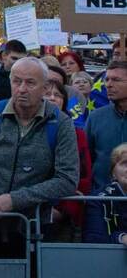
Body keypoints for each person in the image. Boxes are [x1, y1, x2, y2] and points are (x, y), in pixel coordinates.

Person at [0, 57, 79, 257]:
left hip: (33, 231)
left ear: (44, 87)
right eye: (17, 81)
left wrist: (15, 200)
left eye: (30, 83)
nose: (22, 89)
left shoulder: (60, 123)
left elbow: (67, 179)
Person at [45, 80, 92, 239]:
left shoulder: (77, 134)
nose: (52, 98)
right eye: (47, 94)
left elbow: (83, 178)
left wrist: (64, 210)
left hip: (63, 217)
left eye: (57, 95)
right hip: (27, 213)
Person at [85, 60, 127, 192]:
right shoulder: (95, 117)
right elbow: (86, 159)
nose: (108, 85)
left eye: (116, 80)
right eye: (107, 79)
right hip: (102, 199)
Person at [83, 143, 127, 245]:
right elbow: (93, 239)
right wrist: (122, 238)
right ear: (113, 173)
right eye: (125, 163)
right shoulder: (97, 200)